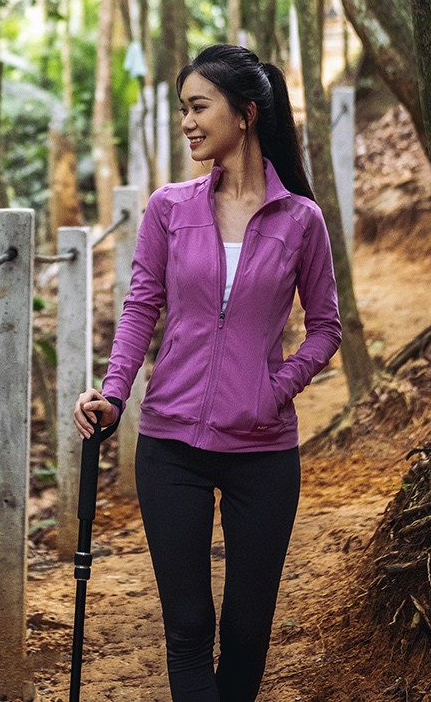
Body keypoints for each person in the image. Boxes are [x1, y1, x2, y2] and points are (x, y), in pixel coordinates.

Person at [73, 44, 342, 702]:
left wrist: (272, 389)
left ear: (245, 114)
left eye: (198, 107)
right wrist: (111, 394)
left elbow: (326, 326)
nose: (187, 122)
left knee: (247, 632)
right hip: (169, 446)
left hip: (262, 452)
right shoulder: (169, 208)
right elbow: (140, 306)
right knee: (188, 628)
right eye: (182, 109)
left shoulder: (300, 220)